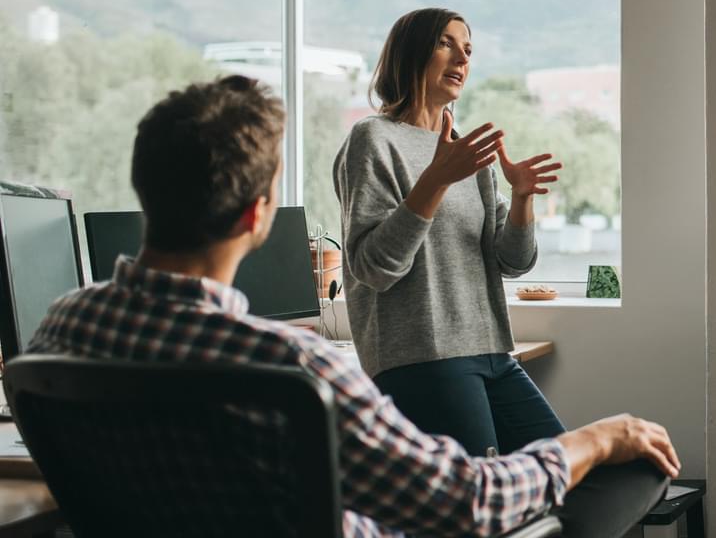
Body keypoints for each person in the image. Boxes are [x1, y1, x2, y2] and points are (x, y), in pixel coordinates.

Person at [29, 75, 678, 537]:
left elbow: (511, 257)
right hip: (422, 384)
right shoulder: (294, 370)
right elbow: (470, 504)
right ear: (259, 216)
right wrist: (601, 436)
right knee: (631, 472)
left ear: (145, 188)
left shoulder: (58, 332)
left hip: (482, 351)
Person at [334, 7, 565, 457]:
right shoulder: (373, 139)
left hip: (494, 352)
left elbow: (513, 262)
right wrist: (436, 180)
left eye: (468, 49)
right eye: (446, 43)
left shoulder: (462, 151)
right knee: (481, 505)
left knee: (569, 472)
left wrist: (520, 200)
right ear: (410, 53)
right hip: (422, 357)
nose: (462, 58)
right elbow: (373, 267)